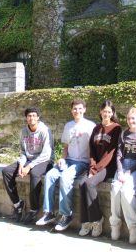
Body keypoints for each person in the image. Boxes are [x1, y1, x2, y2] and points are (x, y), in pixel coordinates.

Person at [36, 99, 95, 231]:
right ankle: (49, 213)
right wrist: (62, 159)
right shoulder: (68, 125)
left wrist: (92, 166)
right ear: (71, 110)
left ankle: (66, 215)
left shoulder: (90, 126)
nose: (77, 111)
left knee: (65, 178)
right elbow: (65, 146)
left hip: (82, 162)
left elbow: (93, 148)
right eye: (74, 108)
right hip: (68, 160)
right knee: (50, 175)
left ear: (84, 109)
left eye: (80, 108)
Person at [2, 107, 54, 224]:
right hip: (29, 159)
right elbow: (23, 151)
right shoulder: (24, 131)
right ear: (26, 118)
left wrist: (29, 166)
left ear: (38, 117)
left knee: (35, 174)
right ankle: (17, 204)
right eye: (29, 116)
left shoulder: (45, 130)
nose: (31, 118)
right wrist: (21, 164)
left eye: (34, 116)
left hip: (45, 160)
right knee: (6, 171)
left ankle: (34, 209)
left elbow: (47, 154)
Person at [77, 100, 121, 237]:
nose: (106, 114)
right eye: (104, 111)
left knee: (89, 183)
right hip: (95, 167)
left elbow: (111, 154)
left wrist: (95, 170)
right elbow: (92, 151)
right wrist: (92, 166)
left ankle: (97, 219)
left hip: (108, 167)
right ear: (100, 112)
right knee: (81, 183)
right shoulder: (96, 128)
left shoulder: (116, 128)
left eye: (109, 111)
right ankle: (85, 221)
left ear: (112, 113)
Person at [110, 107, 136, 244]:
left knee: (126, 192)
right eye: (128, 118)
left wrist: (129, 172)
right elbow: (119, 155)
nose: (131, 121)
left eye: (133, 118)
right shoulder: (123, 134)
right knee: (115, 190)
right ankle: (115, 224)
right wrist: (120, 171)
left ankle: (133, 226)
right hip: (122, 167)